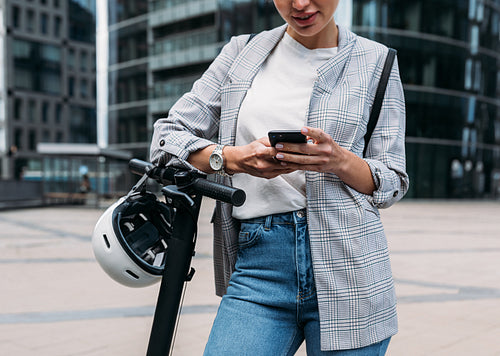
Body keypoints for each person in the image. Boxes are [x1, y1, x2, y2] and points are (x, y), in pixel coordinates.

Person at [150, 0, 409, 354]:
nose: (299, 4)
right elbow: (166, 137)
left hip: (350, 269)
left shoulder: (377, 61)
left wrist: (339, 160)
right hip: (260, 265)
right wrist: (231, 159)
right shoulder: (241, 53)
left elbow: (392, 179)